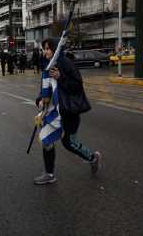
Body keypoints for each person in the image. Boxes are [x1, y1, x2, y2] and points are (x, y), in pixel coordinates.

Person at [34, 38, 102, 185]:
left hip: (69, 110)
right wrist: (40, 100)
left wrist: (61, 77)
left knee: (69, 142)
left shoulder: (66, 63)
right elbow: (45, 89)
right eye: (43, 48)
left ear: (55, 49)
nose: (45, 51)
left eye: (47, 48)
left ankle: (92, 158)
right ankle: (49, 173)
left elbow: (77, 86)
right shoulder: (48, 66)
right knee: (47, 138)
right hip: (53, 111)